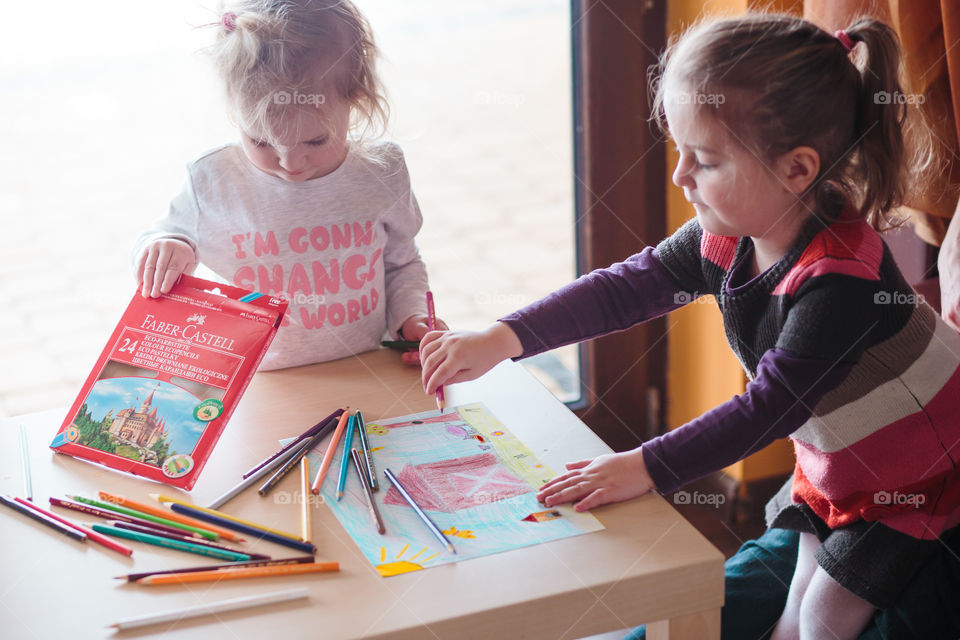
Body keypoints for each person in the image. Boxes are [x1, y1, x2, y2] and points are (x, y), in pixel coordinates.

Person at [420, 13, 960, 639]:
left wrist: (642, 467)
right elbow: (627, 287)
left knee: (819, 620)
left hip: (917, 470)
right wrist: (503, 337)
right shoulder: (730, 237)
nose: (680, 176)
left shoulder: (840, 284)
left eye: (703, 160)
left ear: (797, 170)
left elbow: (768, 409)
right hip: (843, 460)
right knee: (794, 602)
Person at [133, 0, 442, 370]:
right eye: (261, 142)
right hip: (253, 378)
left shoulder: (382, 171)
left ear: (355, 98)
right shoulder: (211, 177)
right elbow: (163, 237)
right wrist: (168, 245)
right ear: (236, 112)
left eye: (316, 141)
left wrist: (412, 317)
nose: (290, 164)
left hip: (364, 364)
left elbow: (402, 262)